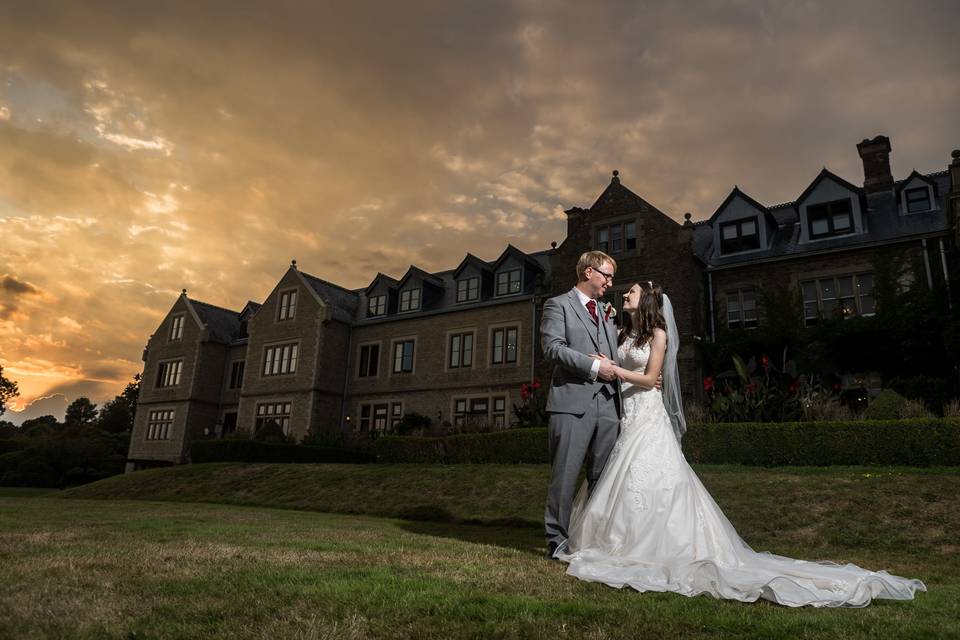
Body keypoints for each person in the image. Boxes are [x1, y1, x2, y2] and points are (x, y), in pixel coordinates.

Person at [555, 281, 926, 607]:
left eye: (632, 291)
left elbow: (652, 379)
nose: (625, 293)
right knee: (621, 476)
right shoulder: (623, 332)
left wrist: (612, 369)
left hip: (647, 416)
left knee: (651, 477)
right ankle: (615, 540)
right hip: (626, 415)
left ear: (648, 300)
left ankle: (655, 546)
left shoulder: (659, 335)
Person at [540, 251, 622, 559]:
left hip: (609, 406)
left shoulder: (607, 312)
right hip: (572, 404)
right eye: (607, 276)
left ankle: (591, 539)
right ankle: (557, 541)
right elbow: (552, 348)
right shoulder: (557, 305)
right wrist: (593, 368)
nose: (610, 283)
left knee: (602, 479)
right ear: (589, 272)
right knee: (565, 475)